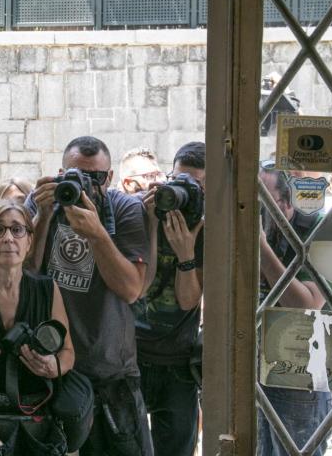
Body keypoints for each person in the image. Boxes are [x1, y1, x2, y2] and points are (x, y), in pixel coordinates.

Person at [28, 136, 152, 456]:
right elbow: (26, 280)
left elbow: (130, 289)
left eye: (94, 177)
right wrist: (41, 217)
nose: (83, 185)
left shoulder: (123, 208)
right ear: (60, 174)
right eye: (74, 176)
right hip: (56, 369)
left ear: (109, 178)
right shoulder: (44, 203)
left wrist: (97, 232)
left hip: (111, 373)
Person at [0, 199, 75, 451]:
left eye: (17, 229)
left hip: (36, 423)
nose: (8, 238)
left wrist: (54, 366)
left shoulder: (46, 289)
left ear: (29, 241)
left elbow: (68, 353)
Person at [257, 163, 332, 456]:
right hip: (254, 361)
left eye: (263, 203)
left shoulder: (315, 229)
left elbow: (307, 304)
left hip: (299, 372)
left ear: (287, 203)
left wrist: (262, 249)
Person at [135, 142, 205, 456]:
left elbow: (189, 300)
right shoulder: (141, 212)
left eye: (196, 186)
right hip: (132, 355)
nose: (184, 193)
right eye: (180, 181)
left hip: (177, 361)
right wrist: (151, 222)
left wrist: (185, 254)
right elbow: (135, 286)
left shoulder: (206, 228)